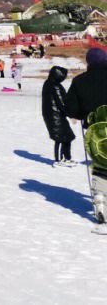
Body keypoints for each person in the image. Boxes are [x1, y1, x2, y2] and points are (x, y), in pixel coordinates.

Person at [64, 47, 107, 224]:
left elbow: (70, 108)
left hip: (95, 129)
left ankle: (99, 200)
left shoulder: (79, 81)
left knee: (100, 164)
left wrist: (82, 115)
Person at [42, 65, 74, 165]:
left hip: (54, 114)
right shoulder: (55, 86)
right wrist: (71, 113)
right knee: (61, 137)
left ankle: (66, 158)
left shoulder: (48, 83)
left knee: (67, 136)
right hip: (56, 115)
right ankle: (59, 160)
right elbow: (61, 102)